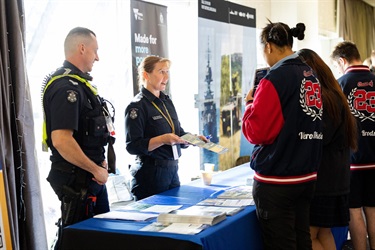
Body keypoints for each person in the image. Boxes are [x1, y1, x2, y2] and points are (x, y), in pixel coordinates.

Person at [241, 21, 323, 250]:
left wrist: (249, 104)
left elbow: (258, 132)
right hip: (306, 175)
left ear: (268, 46)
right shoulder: (310, 75)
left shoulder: (274, 79)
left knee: (282, 244)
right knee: (302, 239)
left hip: (278, 181)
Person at [42, 27, 115, 249]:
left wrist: (98, 164)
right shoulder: (66, 88)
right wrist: (94, 170)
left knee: (100, 241)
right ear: (82, 48)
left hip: (91, 178)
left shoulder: (81, 85)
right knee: (80, 243)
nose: (98, 57)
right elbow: (62, 141)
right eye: (95, 51)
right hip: (78, 183)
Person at [297, 48, 358, 250]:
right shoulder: (335, 94)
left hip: (324, 181)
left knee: (308, 236)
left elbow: (318, 138)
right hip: (335, 178)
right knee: (323, 233)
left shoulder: (324, 99)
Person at [125, 55, 207, 201]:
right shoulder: (137, 106)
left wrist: (193, 139)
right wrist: (162, 140)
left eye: (167, 72)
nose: (166, 77)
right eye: (161, 71)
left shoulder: (166, 101)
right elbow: (133, 146)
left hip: (172, 170)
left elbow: (178, 132)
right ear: (146, 75)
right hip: (151, 174)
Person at [330, 41, 375, 250]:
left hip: (353, 161)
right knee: (373, 210)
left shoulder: (340, 85)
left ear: (342, 60)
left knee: (354, 211)